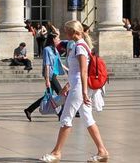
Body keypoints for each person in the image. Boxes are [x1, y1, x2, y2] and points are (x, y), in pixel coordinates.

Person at [40, 20, 110, 163]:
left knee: (66, 117)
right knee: (87, 118)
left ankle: (56, 153)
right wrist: (69, 84)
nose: (66, 34)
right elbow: (75, 71)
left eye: (67, 31)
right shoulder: (78, 45)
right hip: (76, 85)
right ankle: (102, 151)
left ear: (74, 32)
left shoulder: (80, 47)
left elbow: (83, 71)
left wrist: (83, 92)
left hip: (79, 87)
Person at [24, 32, 64, 121]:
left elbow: (59, 62)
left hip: (54, 74)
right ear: (53, 39)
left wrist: (68, 69)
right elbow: (47, 65)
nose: (59, 40)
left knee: (48, 95)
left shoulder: (55, 50)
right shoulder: (47, 50)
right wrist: (47, 80)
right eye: (57, 38)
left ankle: (29, 110)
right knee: (61, 94)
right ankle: (62, 114)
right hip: (50, 76)